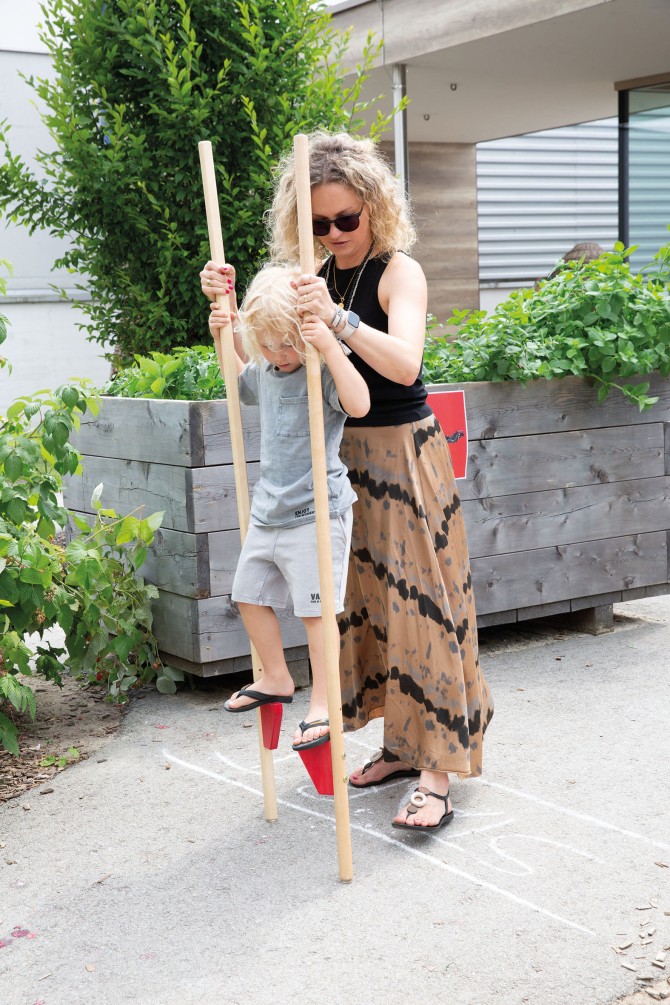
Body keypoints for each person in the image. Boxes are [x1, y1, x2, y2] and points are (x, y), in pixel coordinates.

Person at [201, 131, 493, 831]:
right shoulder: (306, 276)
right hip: (332, 463)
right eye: (319, 224)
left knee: (422, 606)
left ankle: (436, 772)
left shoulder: (399, 273)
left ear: (374, 207)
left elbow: (405, 363)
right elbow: (263, 360)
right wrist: (226, 308)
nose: (334, 235)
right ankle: (399, 746)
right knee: (360, 608)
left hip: (401, 455)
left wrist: (337, 318)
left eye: (346, 219)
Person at [207, 264, 370, 752]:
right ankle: (277, 677)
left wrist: (330, 347)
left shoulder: (321, 370)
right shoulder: (266, 371)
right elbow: (237, 382)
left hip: (317, 512)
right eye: (267, 344)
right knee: (247, 595)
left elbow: (359, 404)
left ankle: (323, 701)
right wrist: (223, 329)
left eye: (287, 343)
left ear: (306, 331)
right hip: (269, 512)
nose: (279, 353)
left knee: (316, 613)